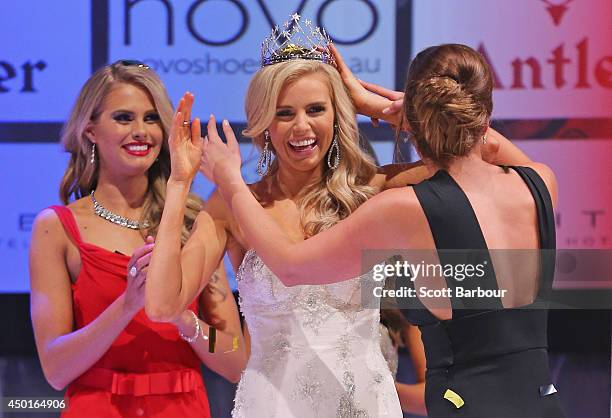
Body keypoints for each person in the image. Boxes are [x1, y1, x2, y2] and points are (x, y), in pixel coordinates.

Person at [200, 43, 566, 417]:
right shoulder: (541, 183)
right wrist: (397, 112)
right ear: (484, 113)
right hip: (543, 403)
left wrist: (230, 182)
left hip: (466, 407)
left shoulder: (403, 207)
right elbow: (490, 152)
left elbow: (292, 268)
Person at [144, 16, 433, 416]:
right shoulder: (233, 203)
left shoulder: (374, 191)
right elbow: (161, 307)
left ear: (337, 115)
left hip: (364, 404)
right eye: (284, 113)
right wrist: (178, 183)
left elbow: (482, 156)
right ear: (263, 125)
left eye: (316, 109)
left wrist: (381, 108)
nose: (302, 126)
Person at [29, 60, 243, 418]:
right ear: (90, 130)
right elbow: (55, 370)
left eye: (151, 118)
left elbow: (237, 358)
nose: (141, 131)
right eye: (124, 118)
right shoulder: (56, 227)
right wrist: (128, 304)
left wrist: (181, 319)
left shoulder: (192, 222)